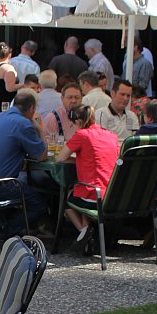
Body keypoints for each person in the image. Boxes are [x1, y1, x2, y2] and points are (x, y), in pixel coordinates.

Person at [0, 89, 48, 238]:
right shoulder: (24, 124)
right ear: (32, 108)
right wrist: (38, 127)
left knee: (22, 189)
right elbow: (42, 155)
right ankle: (5, 231)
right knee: (39, 203)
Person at [57, 104, 120, 243]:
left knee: (67, 199)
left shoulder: (82, 134)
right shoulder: (111, 135)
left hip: (94, 196)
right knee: (83, 189)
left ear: (78, 122)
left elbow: (60, 158)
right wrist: (83, 160)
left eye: (73, 125)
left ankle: (83, 230)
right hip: (112, 195)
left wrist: (77, 160)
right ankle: (87, 230)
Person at [95, 77, 140, 144]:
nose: (125, 98)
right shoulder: (102, 113)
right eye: (122, 94)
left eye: (128, 96)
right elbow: (101, 139)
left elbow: (135, 138)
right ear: (112, 93)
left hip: (127, 152)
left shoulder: (131, 116)